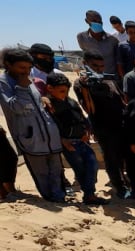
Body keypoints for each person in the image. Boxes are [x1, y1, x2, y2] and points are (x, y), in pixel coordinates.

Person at [0, 48, 64, 202]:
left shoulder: (28, 78)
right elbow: (13, 107)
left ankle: (60, 198)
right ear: (9, 64)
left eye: (29, 68)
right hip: (30, 137)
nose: (26, 72)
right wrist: (22, 87)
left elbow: (35, 101)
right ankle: (50, 201)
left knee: (56, 170)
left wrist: (42, 99)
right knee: (41, 173)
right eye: (22, 68)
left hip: (48, 134)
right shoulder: (4, 83)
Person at [73, 50, 130, 199]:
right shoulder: (81, 84)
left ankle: (124, 180)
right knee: (111, 158)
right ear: (86, 64)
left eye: (101, 66)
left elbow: (121, 101)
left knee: (122, 156)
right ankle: (120, 187)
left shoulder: (108, 79)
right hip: (103, 127)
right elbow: (88, 109)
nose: (99, 69)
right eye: (95, 66)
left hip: (120, 123)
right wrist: (86, 88)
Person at [45, 73, 108, 205]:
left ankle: (90, 193)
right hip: (69, 143)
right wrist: (63, 140)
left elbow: (81, 116)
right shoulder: (50, 106)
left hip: (82, 140)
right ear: (50, 89)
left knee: (92, 165)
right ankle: (89, 195)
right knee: (80, 169)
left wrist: (87, 129)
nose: (64, 93)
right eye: (61, 91)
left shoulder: (70, 101)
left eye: (66, 91)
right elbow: (52, 126)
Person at [77, 10, 119, 75]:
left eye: (99, 22)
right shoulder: (81, 37)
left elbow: (118, 61)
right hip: (92, 77)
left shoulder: (112, 40)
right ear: (87, 21)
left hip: (109, 77)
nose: (97, 23)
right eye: (94, 21)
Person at [0, 126, 19, 201]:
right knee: (6, 177)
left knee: (6, 178)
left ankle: (9, 193)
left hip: (6, 157)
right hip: (7, 157)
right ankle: (9, 193)